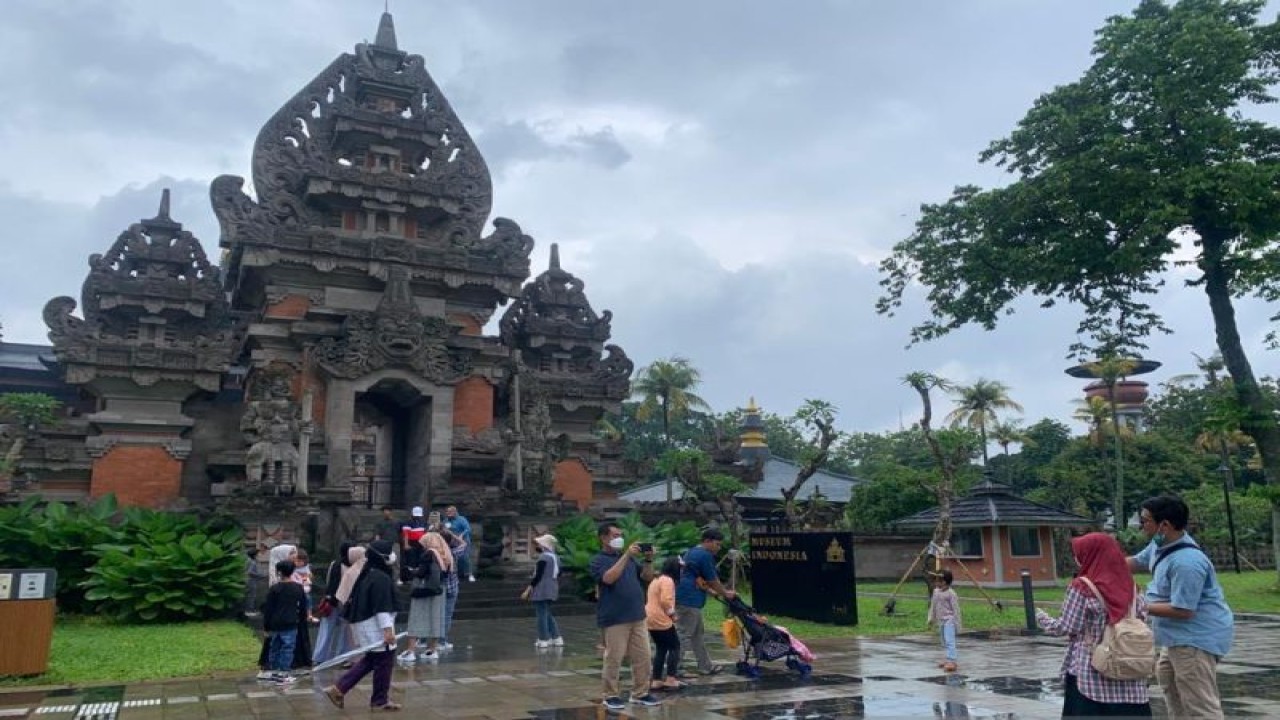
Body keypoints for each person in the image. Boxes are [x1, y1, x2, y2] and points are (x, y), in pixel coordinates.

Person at [1127, 495, 1233, 720]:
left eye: (1145, 521)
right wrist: (1099, 562)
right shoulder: (1160, 544)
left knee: (1200, 703)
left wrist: (1139, 604)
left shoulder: (1187, 562)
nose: (1141, 526)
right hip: (1174, 638)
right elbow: (1136, 561)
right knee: (1172, 691)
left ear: (1164, 525)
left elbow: (1183, 611)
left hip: (1195, 639)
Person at [1037, 533, 1152, 717]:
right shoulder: (1132, 587)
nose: (1076, 558)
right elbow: (1143, 616)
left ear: (1089, 555)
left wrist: (1043, 619)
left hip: (1091, 675)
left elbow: (1068, 627)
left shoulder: (1082, 587)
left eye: (1079, 554)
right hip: (1129, 672)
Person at [590, 522, 662, 710]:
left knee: (643, 657)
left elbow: (647, 577)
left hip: (637, 615)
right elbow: (608, 578)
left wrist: (648, 560)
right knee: (614, 658)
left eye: (620, 534)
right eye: (614, 535)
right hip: (614, 618)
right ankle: (610, 694)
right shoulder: (598, 560)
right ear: (603, 538)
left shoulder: (629, 560)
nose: (619, 538)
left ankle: (640, 692)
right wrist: (626, 555)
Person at [324, 540, 402, 712]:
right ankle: (379, 700)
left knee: (372, 660)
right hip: (374, 626)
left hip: (366, 624)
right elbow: (382, 607)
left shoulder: (370, 573)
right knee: (384, 661)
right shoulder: (379, 577)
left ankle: (340, 689)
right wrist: (387, 630)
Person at [674, 527, 734, 677]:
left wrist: (710, 591)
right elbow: (712, 579)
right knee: (684, 634)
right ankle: (674, 669)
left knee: (697, 634)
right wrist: (725, 593)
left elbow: (697, 577)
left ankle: (705, 666)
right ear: (707, 541)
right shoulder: (704, 555)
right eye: (717, 544)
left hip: (688, 596)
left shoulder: (691, 552)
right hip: (689, 599)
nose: (718, 548)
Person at [400, 532, 451, 663]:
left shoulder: (429, 554)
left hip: (425, 590)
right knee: (435, 619)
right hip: (440, 591)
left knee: (415, 619)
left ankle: (410, 651)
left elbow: (423, 572)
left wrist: (411, 572)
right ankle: (432, 650)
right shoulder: (445, 554)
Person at [261, 559, 307, 684]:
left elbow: (268, 609)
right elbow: (303, 606)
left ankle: (274, 670)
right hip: (291, 621)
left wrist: (266, 626)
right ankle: (284, 672)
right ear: (292, 571)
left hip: (275, 622)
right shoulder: (298, 588)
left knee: (274, 646)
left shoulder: (274, 589)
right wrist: (302, 619)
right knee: (288, 647)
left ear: (279, 572)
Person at [256, 543, 297, 679]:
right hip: (286, 619)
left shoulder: (290, 575)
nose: (294, 555)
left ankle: (277, 669)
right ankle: (280, 670)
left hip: (279, 620)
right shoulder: (278, 583)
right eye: (291, 553)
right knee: (282, 645)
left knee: (279, 645)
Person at [646, 556, 686, 692]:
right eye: (680, 568)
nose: (682, 571)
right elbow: (665, 601)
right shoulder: (668, 581)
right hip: (661, 618)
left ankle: (656, 680)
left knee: (661, 648)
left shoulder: (657, 579)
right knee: (675, 646)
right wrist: (672, 614)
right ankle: (671, 679)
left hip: (650, 618)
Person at [312, 542, 356, 666]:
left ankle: (320, 657)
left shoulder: (335, 564)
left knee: (327, 629)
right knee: (345, 631)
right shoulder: (355, 566)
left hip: (334, 601)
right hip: (344, 602)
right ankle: (343, 656)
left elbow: (329, 582)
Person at [521, 534, 562, 649]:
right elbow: (559, 573)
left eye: (539, 543)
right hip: (553, 586)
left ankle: (543, 638)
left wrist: (528, 589)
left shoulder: (543, 557)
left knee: (541, 615)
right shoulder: (556, 558)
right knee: (547, 613)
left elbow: (538, 576)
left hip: (542, 588)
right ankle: (556, 637)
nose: (538, 545)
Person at [926, 569, 962, 673]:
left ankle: (952, 661)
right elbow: (933, 606)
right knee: (944, 641)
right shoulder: (936, 592)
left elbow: (956, 610)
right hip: (940, 620)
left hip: (949, 620)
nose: (936, 583)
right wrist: (930, 619)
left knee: (949, 640)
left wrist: (957, 624)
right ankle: (947, 658)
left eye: (938, 581)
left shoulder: (951, 594)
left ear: (944, 582)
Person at [439, 528, 466, 651]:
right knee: (447, 615)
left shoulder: (434, 553)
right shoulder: (453, 552)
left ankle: (424, 639)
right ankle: (442, 641)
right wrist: (452, 535)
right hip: (452, 587)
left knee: (435, 615)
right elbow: (464, 544)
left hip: (438, 588)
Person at [444, 506, 475, 582]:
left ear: (455, 512)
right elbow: (444, 529)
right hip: (452, 541)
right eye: (447, 512)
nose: (448, 514)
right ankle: (458, 575)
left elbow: (468, 529)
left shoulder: (461, 519)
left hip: (463, 541)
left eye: (450, 512)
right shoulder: (446, 520)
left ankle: (469, 574)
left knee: (464, 557)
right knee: (452, 558)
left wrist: (462, 535)